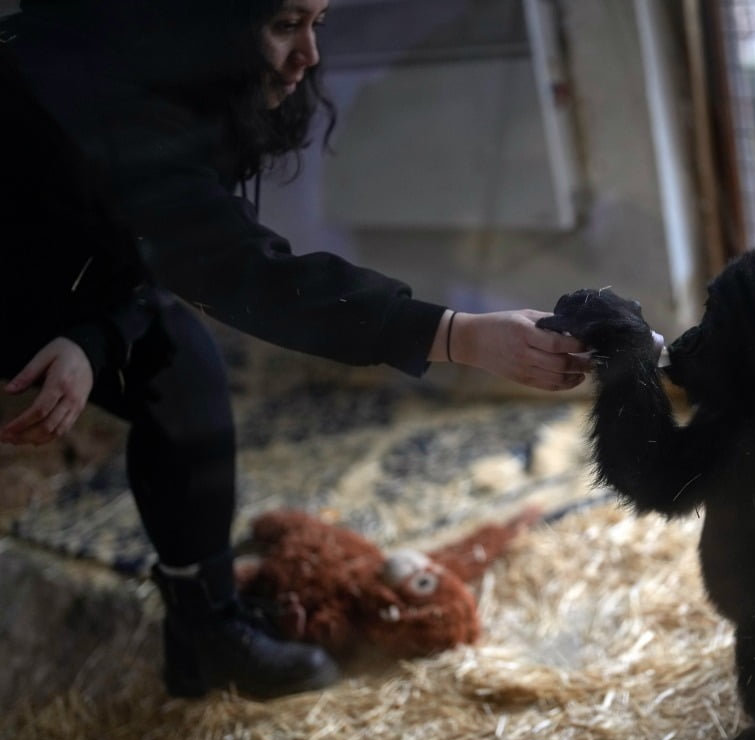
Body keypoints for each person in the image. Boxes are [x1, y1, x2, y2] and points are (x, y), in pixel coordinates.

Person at [0, 0, 589, 700]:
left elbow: (150, 242)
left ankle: (205, 628)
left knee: (181, 363)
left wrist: (97, 334)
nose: (309, 54)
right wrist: (457, 333)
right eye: (285, 25)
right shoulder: (95, 89)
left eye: (319, 23)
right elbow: (243, 272)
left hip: (54, 264)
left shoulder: (172, 81)